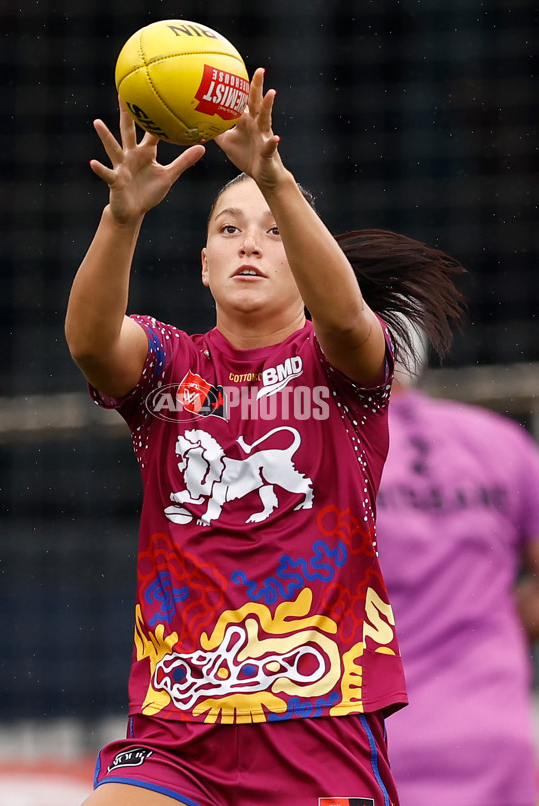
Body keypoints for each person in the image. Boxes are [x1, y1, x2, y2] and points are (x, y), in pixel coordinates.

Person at [65, 67, 465, 806]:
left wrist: (272, 176)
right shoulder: (167, 366)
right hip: (176, 728)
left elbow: (345, 318)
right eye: (228, 229)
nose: (250, 244)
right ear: (206, 267)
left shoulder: (341, 365)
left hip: (322, 722)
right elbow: (91, 344)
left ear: (308, 261)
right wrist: (121, 219)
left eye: (276, 233)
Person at [376, 353, 539, 806]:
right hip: (492, 739)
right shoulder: (500, 440)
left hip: (368, 744)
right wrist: (491, 623)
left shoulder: (320, 453)